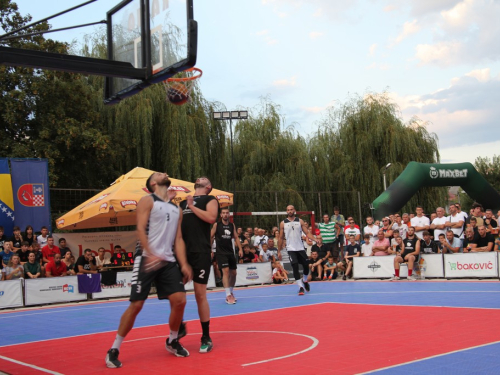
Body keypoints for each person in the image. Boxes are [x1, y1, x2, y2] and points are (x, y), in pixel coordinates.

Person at [105, 172, 193, 368]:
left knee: (180, 300)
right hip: (146, 258)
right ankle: (114, 349)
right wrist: (151, 253)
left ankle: (172, 340)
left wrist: (184, 263)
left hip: (167, 260)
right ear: (153, 183)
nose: (165, 174)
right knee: (136, 305)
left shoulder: (176, 208)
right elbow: (139, 228)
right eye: (160, 174)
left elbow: (178, 239)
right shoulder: (147, 201)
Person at [179, 176, 218, 353]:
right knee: (176, 294)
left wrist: (192, 206)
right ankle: (177, 330)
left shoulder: (210, 200)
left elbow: (211, 218)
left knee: (199, 295)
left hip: (200, 251)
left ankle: (206, 336)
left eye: (204, 179)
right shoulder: (181, 203)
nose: (199, 178)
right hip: (182, 253)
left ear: (208, 186)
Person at [278, 205, 316, 295]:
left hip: (300, 248)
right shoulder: (283, 223)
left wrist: (315, 239)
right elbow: (280, 238)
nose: (290, 211)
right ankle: (301, 287)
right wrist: (278, 251)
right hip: (290, 248)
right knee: (294, 266)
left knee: (306, 266)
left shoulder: (300, 221)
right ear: (286, 211)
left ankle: (305, 280)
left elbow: (307, 233)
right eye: (288, 210)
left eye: (291, 209)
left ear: (294, 210)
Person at [211, 207, 243, 305]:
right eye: (223, 213)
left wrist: (240, 249)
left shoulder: (231, 225)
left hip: (230, 252)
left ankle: (231, 292)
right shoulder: (217, 225)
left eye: (227, 213)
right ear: (221, 215)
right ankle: (227, 295)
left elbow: (236, 237)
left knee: (233, 273)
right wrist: (210, 249)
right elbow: (211, 236)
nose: (225, 214)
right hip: (221, 253)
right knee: (225, 271)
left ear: (229, 215)